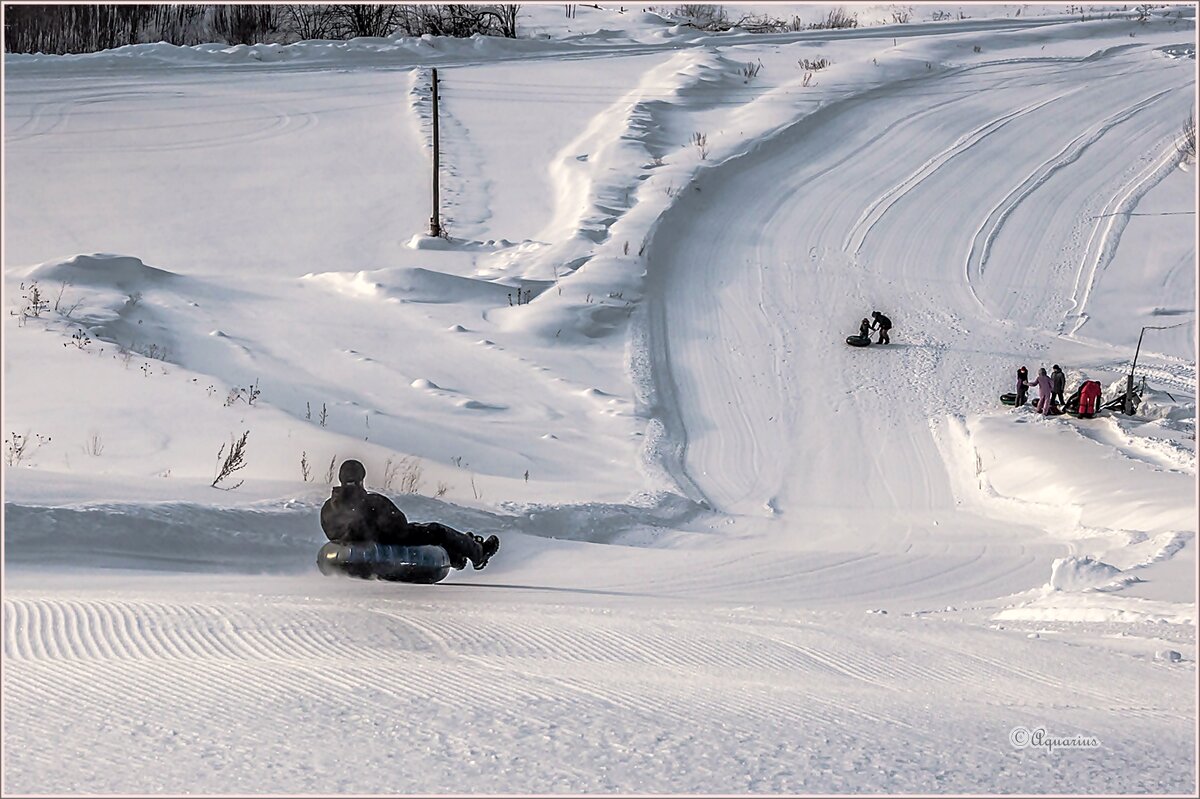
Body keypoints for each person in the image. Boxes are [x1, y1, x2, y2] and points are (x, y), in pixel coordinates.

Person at [321, 459, 499, 570]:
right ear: (361, 480)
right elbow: (398, 523)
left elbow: (332, 533)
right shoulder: (372, 501)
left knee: (423, 534)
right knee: (436, 531)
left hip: (357, 545)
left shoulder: (328, 508)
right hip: (387, 540)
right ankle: (478, 553)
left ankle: (456, 557)